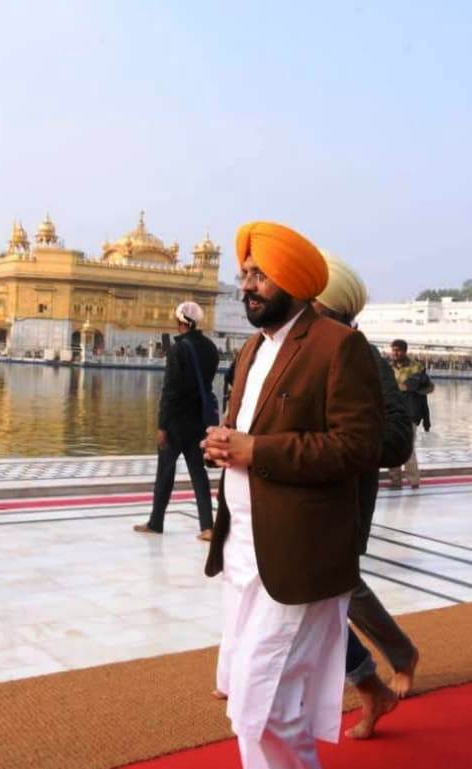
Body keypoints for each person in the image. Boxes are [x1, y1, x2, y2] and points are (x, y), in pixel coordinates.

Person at [202, 222, 383, 769]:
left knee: (268, 704)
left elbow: (357, 448)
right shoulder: (253, 349)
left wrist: (258, 450)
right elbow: (251, 433)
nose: (247, 285)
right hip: (245, 552)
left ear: (294, 280)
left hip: (298, 556)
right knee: (246, 696)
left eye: (260, 274)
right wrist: (224, 445)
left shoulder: (339, 347)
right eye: (245, 274)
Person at [313, 253, 419, 739]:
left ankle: (376, 675)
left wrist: (337, 448)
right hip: (301, 504)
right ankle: (379, 670)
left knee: (330, 596)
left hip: (342, 503)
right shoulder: (296, 347)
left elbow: (397, 438)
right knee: (328, 597)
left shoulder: (360, 353)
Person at [134, 301, 219, 540]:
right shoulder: (210, 348)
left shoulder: (178, 349)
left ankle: (156, 522)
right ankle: (207, 527)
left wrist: (162, 425)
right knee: (198, 474)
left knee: (165, 473)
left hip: (175, 423)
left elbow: (170, 390)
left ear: (180, 322)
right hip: (198, 422)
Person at [388, 339, 433, 490]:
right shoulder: (388, 368)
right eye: (393, 350)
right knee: (392, 446)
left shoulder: (416, 368)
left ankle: (414, 481)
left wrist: (426, 420)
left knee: (408, 447)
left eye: (398, 350)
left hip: (409, 414)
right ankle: (395, 482)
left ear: (405, 351)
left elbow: (419, 390)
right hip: (392, 414)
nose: (395, 353)